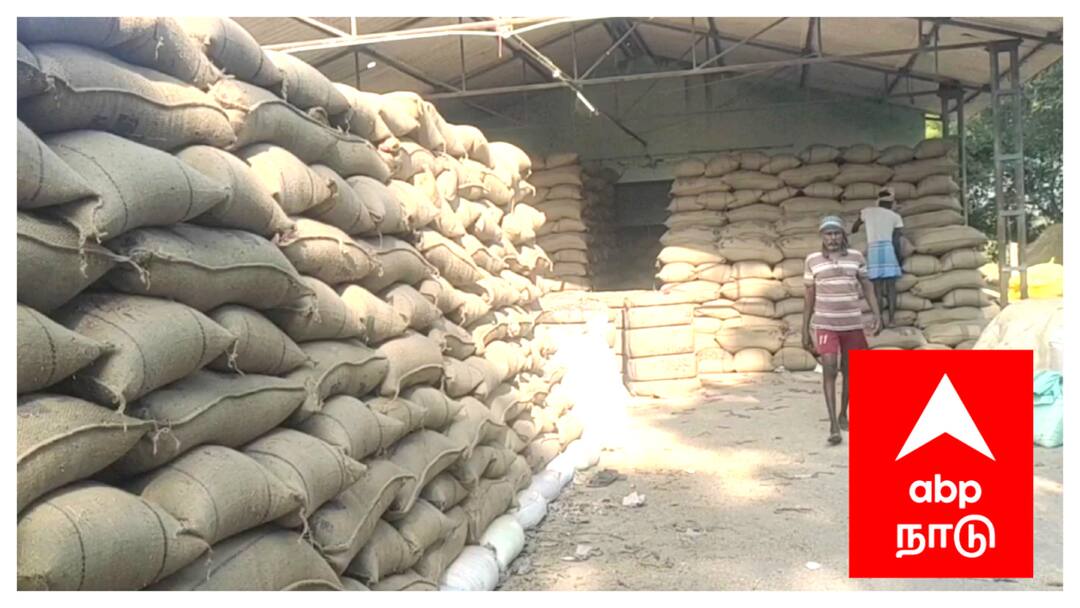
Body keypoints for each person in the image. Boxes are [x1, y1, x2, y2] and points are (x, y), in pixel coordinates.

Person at [802, 216, 881, 446]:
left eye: (836, 233)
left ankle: (843, 413)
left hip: (852, 324)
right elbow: (809, 296)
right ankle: (833, 425)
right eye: (828, 234)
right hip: (826, 323)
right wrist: (804, 329)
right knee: (829, 369)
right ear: (822, 236)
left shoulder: (856, 257)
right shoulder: (813, 260)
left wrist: (876, 314)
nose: (832, 238)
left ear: (843, 235)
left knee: (850, 371)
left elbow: (867, 286)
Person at [852, 188, 904, 326]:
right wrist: (899, 259)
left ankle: (879, 320)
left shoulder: (867, 212)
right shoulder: (895, 217)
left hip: (873, 251)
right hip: (888, 249)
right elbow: (896, 240)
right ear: (891, 202)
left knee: (877, 289)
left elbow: (854, 228)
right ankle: (892, 320)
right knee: (891, 288)